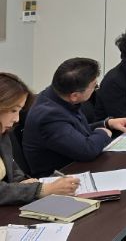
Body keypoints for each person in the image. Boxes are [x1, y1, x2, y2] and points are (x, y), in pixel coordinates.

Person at [23, 58, 126, 177]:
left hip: (76, 165)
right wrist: (103, 133)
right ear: (74, 96)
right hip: (59, 177)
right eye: (94, 86)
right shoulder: (48, 117)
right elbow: (87, 150)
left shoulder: (57, 95)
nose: (96, 89)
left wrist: (107, 123)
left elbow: (76, 131)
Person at [0, 72, 81, 204]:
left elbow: (12, 167)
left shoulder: (3, 132)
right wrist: (42, 189)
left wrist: (23, 182)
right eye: (13, 110)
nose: (17, 119)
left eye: (19, 111)